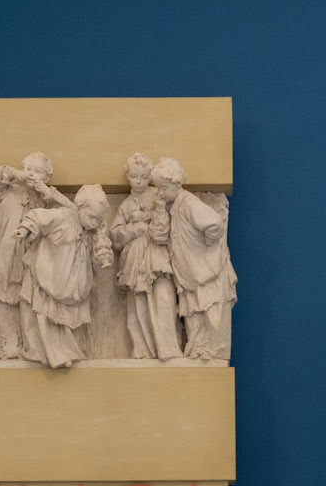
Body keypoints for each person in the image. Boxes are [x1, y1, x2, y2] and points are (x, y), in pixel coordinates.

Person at [0, 152, 69, 360]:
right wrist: (11, 173)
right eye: (29, 169)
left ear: (46, 178)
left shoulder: (45, 202)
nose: (32, 175)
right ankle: (8, 344)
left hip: (34, 262)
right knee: (3, 297)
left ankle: (31, 346)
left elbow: (70, 214)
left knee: (28, 303)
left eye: (38, 172)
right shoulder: (6, 193)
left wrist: (48, 193)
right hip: (5, 258)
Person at [13, 184, 113, 369]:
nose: (95, 222)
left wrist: (103, 250)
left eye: (99, 218)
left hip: (71, 285)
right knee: (45, 318)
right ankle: (48, 353)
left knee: (65, 321)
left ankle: (67, 352)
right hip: (50, 278)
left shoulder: (94, 230)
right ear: (80, 209)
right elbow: (37, 217)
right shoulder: (63, 217)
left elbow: (100, 253)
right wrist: (26, 228)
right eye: (92, 216)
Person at [152, 157, 236, 362]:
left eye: (163, 188)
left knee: (209, 309)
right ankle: (198, 347)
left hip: (204, 271)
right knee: (192, 310)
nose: (160, 193)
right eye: (158, 188)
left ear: (176, 183)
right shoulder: (174, 206)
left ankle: (211, 350)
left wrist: (206, 246)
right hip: (190, 273)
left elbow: (214, 224)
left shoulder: (189, 202)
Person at [109, 153, 182, 361]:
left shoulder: (158, 196)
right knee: (137, 307)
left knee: (164, 299)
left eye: (143, 176)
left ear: (149, 176)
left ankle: (168, 349)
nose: (139, 181)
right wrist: (135, 229)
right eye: (134, 176)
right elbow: (115, 235)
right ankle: (141, 350)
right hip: (134, 262)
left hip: (157, 259)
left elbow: (164, 227)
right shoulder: (125, 205)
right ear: (128, 177)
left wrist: (149, 219)